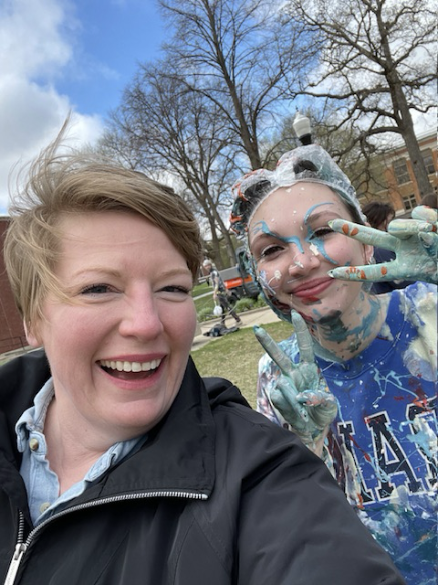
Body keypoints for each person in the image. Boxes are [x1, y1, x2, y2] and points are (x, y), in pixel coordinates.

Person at [0, 129, 407, 585]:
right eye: (98, 288)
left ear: (369, 240)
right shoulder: (278, 375)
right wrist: (311, 439)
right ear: (31, 316)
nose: (146, 323)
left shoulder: (253, 462)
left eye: (172, 287)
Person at [230, 143, 437, 585]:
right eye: (271, 251)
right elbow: (300, 525)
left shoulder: (431, 314)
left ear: (365, 244)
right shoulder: (278, 378)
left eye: (323, 231)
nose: (302, 263)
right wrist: (306, 447)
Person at [361, 201, 410, 294]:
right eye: (391, 220)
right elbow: (404, 281)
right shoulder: (380, 250)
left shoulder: (368, 249)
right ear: (381, 222)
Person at [202, 259, 242, 327]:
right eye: (205, 266)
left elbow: (217, 284)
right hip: (221, 291)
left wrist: (214, 294)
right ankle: (222, 323)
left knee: (227, 307)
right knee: (222, 308)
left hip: (220, 292)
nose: (207, 267)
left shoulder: (214, 273)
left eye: (207, 266)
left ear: (210, 265)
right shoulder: (213, 272)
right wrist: (226, 290)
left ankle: (238, 320)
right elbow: (221, 281)